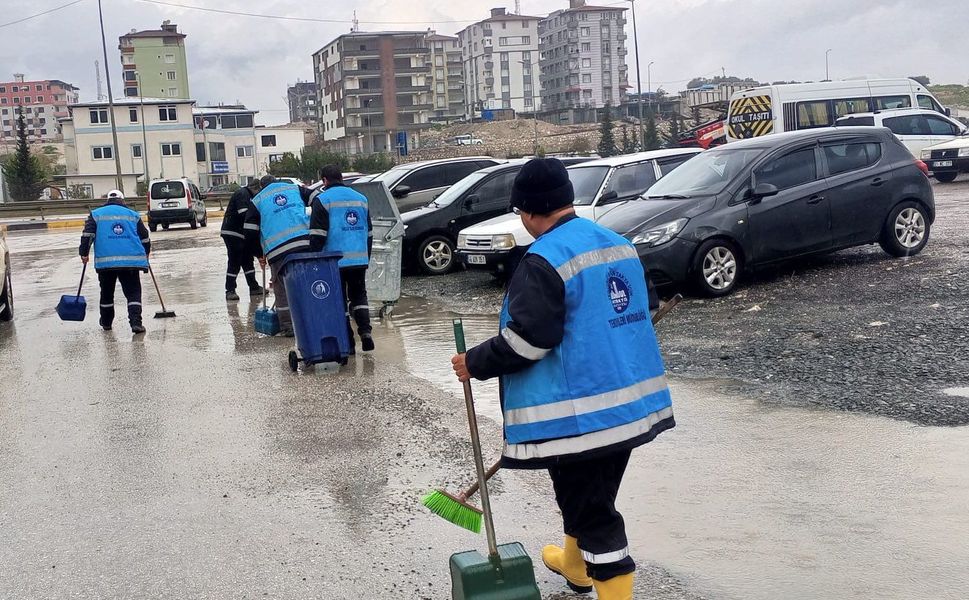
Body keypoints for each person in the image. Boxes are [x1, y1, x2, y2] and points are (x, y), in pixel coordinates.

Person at [450, 159, 674, 600]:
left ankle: (607, 581)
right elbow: (640, 309)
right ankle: (575, 568)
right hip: (627, 409)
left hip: (579, 419)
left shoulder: (543, 259)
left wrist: (474, 362)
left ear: (529, 211)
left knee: (596, 517)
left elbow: (530, 340)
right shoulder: (616, 244)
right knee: (589, 498)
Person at [309, 165, 374, 353]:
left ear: (324, 180)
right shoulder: (361, 199)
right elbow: (369, 233)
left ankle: (349, 341)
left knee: (339, 300)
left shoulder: (322, 200)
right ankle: (366, 332)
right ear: (341, 178)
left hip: (334, 261)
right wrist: (366, 257)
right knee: (359, 295)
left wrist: (315, 259)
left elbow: (318, 236)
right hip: (359, 259)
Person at [244, 175, 314, 337]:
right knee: (306, 281)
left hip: (277, 250)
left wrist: (258, 254)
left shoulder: (258, 200)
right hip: (304, 243)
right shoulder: (293, 188)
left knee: (281, 287)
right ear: (276, 182)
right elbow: (316, 198)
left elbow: (249, 230)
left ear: (261, 187)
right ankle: (310, 319)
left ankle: (288, 326)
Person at [79, 189, 151, 334]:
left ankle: (106, 323)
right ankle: (136, 323)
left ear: (108, 200)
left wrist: (84, 253)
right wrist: (146, 253)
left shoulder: (96, 214)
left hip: (106, 264)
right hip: (130, 262)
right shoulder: (133, 215)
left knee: (106, 292)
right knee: (133, 293)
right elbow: (145, 237)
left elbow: (87, 235)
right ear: (122, 201)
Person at [221, 178, 266, 301]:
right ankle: (230, 290)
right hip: (233, 232)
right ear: (256, 188)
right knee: (235, 261)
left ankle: (253, 287)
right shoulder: (243, 194)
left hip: (243, 234)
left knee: (247, 260)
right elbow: (245, 216)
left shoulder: (251, 197)